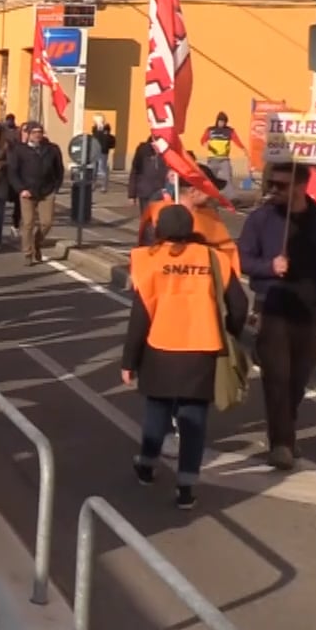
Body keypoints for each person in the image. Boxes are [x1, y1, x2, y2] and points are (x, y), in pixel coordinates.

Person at [121, 205, 249, 510]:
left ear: (159, 230)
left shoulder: (148, 261)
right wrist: (228, 330)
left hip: (160, 348)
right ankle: (186, 486)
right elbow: (240, 305)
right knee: (194, 418)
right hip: (202, 347)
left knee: (157, 411)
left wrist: (129, 360)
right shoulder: (214, 258)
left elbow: (140, 316)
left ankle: (147, 466)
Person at [238, 162, 316, 469]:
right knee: (277, 377)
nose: (273, 190)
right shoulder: (260, 219)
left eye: (281, 185)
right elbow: (243, 258)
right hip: (272, 307)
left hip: (311, 311)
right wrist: (269, 267)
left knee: (300, 377)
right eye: (271, 183)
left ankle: (286, 429)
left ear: (301, 187)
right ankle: (281, 444)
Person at [138, 164, 240, 278]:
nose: (213, 195)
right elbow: (148, 257)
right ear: (193, 191)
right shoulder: (158, 215)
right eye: (209, 190)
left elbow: (225, 252)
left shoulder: (210, 216)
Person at [8, 122, 64, 265]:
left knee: (47, 222)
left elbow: (59, 169)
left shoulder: (52, 149)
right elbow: (13, 172)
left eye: (40, 132)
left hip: (47, 191)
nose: (37, 135)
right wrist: (21, 189)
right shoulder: (19, 150)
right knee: (28, 223)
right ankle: (28, 252)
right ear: (28, 135)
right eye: (34, 133)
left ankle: (37, 242)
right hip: (28, 192)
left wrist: (55, 187)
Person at [202, 113, 237, 190]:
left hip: (224, 159)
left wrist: (244, 150)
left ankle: (230, 197)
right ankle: (210, 193)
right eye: (220, 121)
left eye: (223, 122)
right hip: (212, 159)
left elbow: (237, 141)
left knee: (228, 177)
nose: (221, 123)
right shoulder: (210, 130)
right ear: (217, 121)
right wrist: (208, 146)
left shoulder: (229, 131)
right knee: (211, 178)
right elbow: (202, 140)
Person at [90, 115, 117, 192]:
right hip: (97, 152)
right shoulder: (96, 131)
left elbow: (110, 142)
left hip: (102, 152)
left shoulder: (104, 132)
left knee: (102, 169)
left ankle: (103, 186)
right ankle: (95, 185)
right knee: (95, 169)